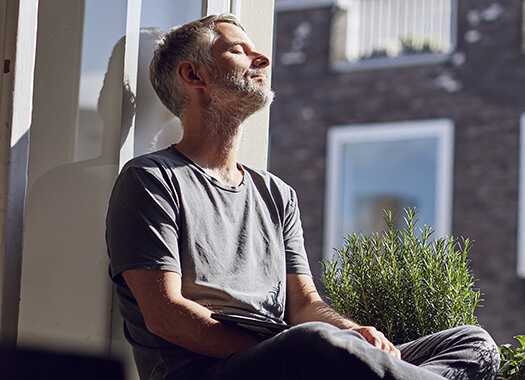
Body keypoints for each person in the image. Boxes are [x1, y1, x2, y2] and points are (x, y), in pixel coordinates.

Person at [106, 14, 500, 380]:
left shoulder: (277, 194)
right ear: (194, 74)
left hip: (302, 357)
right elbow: (165, 315)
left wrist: (353, 333)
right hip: (213, 370)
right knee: (314, 343)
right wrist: (304, 350)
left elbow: (305, 304)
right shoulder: (150, 179)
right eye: (239, 51)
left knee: (473, 343)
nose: (262, 58)